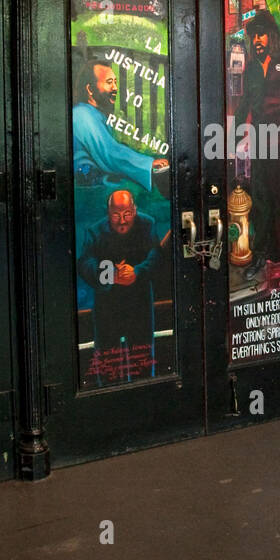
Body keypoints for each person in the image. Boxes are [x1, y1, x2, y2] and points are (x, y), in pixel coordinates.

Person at [234, 10, 280, 281]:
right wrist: (235, 135)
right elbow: (245, 105)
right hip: (259, 134)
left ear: (270, 36)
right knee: (261, 196)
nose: (257, 40)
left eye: (261, 34)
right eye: (254, 36)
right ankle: (261, 254)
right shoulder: (251, 68)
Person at [76, 189, 163, 383]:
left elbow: (156, 257)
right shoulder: (94, 231)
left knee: (143, 364)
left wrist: (136, 272)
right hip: (107, 307)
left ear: (135, 209)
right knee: (108, 368)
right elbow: (84, 264)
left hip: (139, 304)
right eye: (116, 215)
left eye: (127, 214)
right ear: (108, 213)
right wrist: (110, 275)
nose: (122, 221)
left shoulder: (147, 224)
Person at [71, 59, 169, 193]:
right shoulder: (82, 115)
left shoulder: (93, 113)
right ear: (90, 89)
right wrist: (148, 164)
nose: (115, 88)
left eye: (115, 82)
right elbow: (110, 152)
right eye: (109, 82)